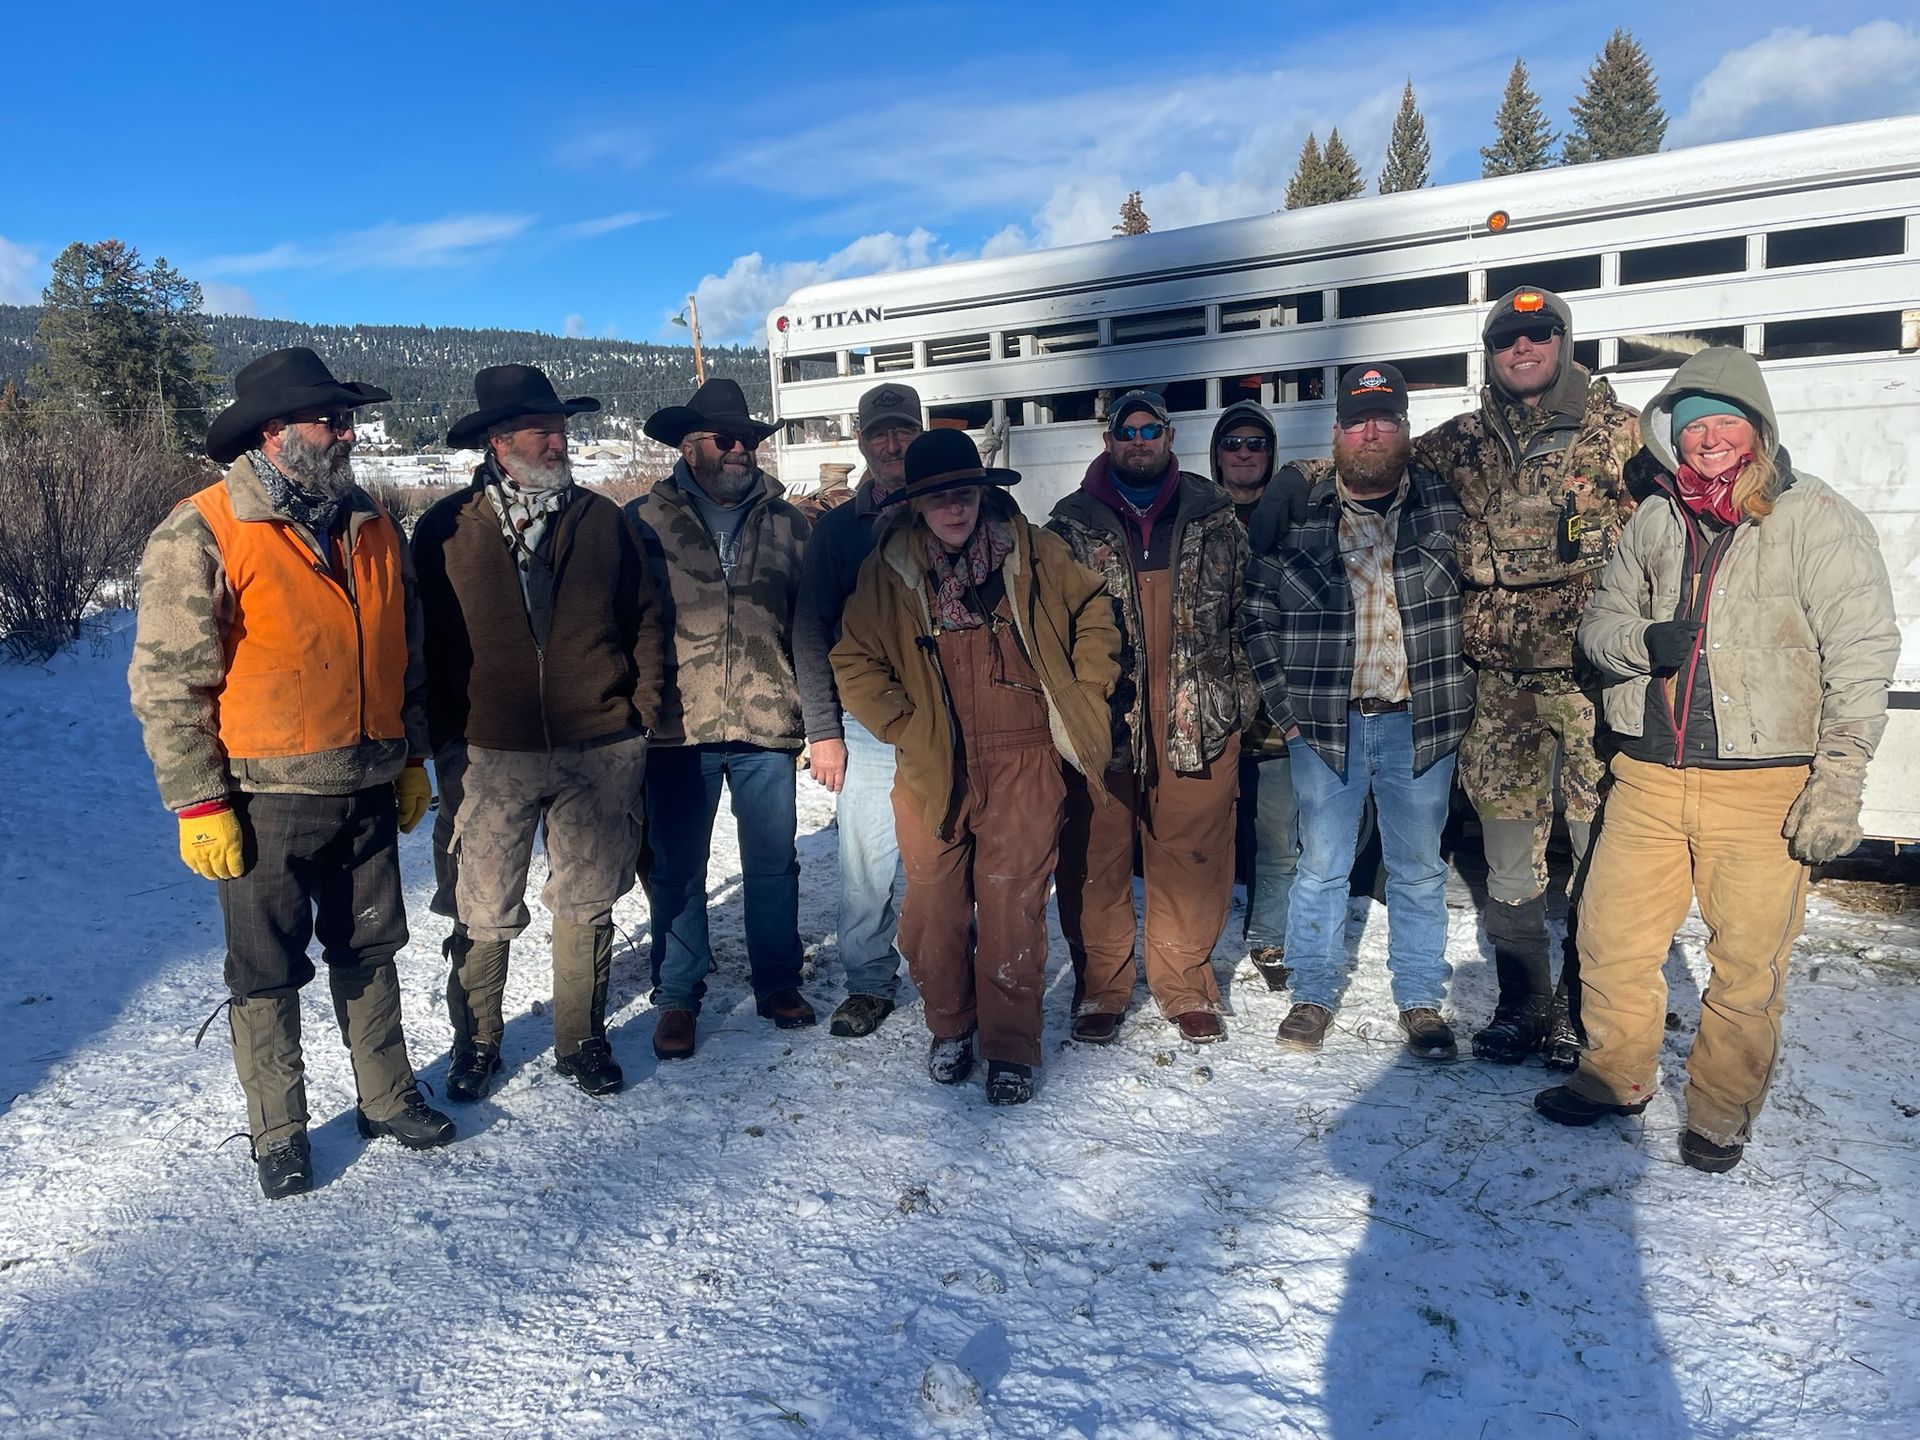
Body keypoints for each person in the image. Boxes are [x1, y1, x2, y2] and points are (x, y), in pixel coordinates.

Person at [1535, 347, 1899, 1172]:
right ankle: (1615, 1077)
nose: (1709, 440)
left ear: (1758, 431)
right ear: (1673, 435)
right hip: (1650, 774)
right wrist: (1641, 643)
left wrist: (1838, 780)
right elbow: (1598, 628)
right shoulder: (1656, 522)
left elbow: (1862, 651)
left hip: (1763, 783)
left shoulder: (1814, 518)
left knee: (1746, 965)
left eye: (1726, 422)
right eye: (1693, 425)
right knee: (1611, 939)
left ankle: (1720, 1113)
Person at [129, 347, 454, 1200]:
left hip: (369, 785)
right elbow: (169, 680)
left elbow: (406, 654)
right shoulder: (201, 528)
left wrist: (413, 752)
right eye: (330, 420)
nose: (347, 433)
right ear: (274, 433)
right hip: (261, 797)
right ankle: (279, 1131)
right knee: (265, 970)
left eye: (348, 420)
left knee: (371, 947)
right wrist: (198, 800)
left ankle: (386, 1098)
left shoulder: (373, 521)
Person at [831, 430, 1120, 1104]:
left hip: (1024, 756)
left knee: (1012, 908)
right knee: (933, 911)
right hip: (933, 761)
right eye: (938, 498)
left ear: (982, 494)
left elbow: (1094, 610)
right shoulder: (890, 570)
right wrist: (903, 724)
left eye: (964, 493)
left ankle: (1010, 1046)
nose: (954, 509)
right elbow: (853, 660)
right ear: (916, 506)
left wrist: (1089, 684)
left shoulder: (1034, 552)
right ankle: (950, 1026)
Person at [413, 366, 665, 1101]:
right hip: (488, 754)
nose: (558, 442)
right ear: (499, 441)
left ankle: (581, 1039)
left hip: (598, 746)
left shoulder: (601, 518)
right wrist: (435, 736)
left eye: (562, 430)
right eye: (541, 431)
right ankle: (478, 1042)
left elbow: (645, 616)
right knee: (482, 902)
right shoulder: (445, 528)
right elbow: (419, 637)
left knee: (587, 899)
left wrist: (639, 706)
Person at [1413, 288, 1641, 1066]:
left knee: (1597, 854)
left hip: (1588, 687)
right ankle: (1522, 1005)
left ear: (1563, 340)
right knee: (1509, 858)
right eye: (1507, 337)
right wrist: (1287, 485)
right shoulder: (1464, 442)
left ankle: (1581, 1008)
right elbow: (1375, 468)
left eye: (1539, 333)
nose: (1523, 346)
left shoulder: (1617, 433)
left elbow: (1699, 499)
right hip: (1501, 690)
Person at [1242, 365, 1474, 1059]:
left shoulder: (1447, 508)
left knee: (1419, 868)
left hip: (1420, 722)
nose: (1370, 432)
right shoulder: (1299, 515)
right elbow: (1255, 615)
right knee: (1321, 866)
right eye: (1357, 421)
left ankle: (1421, 1000)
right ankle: (1312, 993)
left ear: (1406, 430)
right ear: (1336, 434)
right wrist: (1287, 713)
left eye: (1385, 419)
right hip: (1325, 725)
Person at [1048, 390, 1252, 1044]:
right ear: (1108, 442)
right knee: (1095, 855)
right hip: (1106, 719)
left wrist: (1241, 693)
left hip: (1201, 713)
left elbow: (1252, 611)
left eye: (1150, 430)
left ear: (1170, 436)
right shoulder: (1070, 526)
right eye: (1126, 431)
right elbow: (1048, 629)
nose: (1139, 440)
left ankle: (1185, 982)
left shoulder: (1215, 517)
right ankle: (1101, 987)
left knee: (1192, 852)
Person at [626, 378, 813, 1059]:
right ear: (689, 446)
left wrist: (817, 717)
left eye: (749, 441)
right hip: (678, 727)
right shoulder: (641, 519)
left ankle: (777, 980)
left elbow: (811, 623)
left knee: (773, 863)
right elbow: (623, 624)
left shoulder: (791, 524)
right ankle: (678, 994)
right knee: (677, 868)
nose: (740, 450)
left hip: (768, 720)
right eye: (725, 439)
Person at [793, 384, 924, 1038]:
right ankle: (870, 982)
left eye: (903, 431)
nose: (891, 443)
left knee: (952, 854)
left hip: (945, 720)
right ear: (863, 442)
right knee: (866, 863)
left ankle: (952, 970)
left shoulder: (952, 507)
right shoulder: (841, 530)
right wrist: (824, 730)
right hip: (868, 725)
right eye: (880, 434)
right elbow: (811, 628)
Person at [1212, 397, 1297, 993]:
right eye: (1233, 444)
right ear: (1216, 455)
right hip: (1210, 706)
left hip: (1276, 707)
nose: (1244, 453)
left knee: (1276, 832)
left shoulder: (1295, 517)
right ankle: (1198, 936)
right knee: (1204, 833)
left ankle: (1270, 935)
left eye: (1255, 443)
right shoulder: (1197, 521)